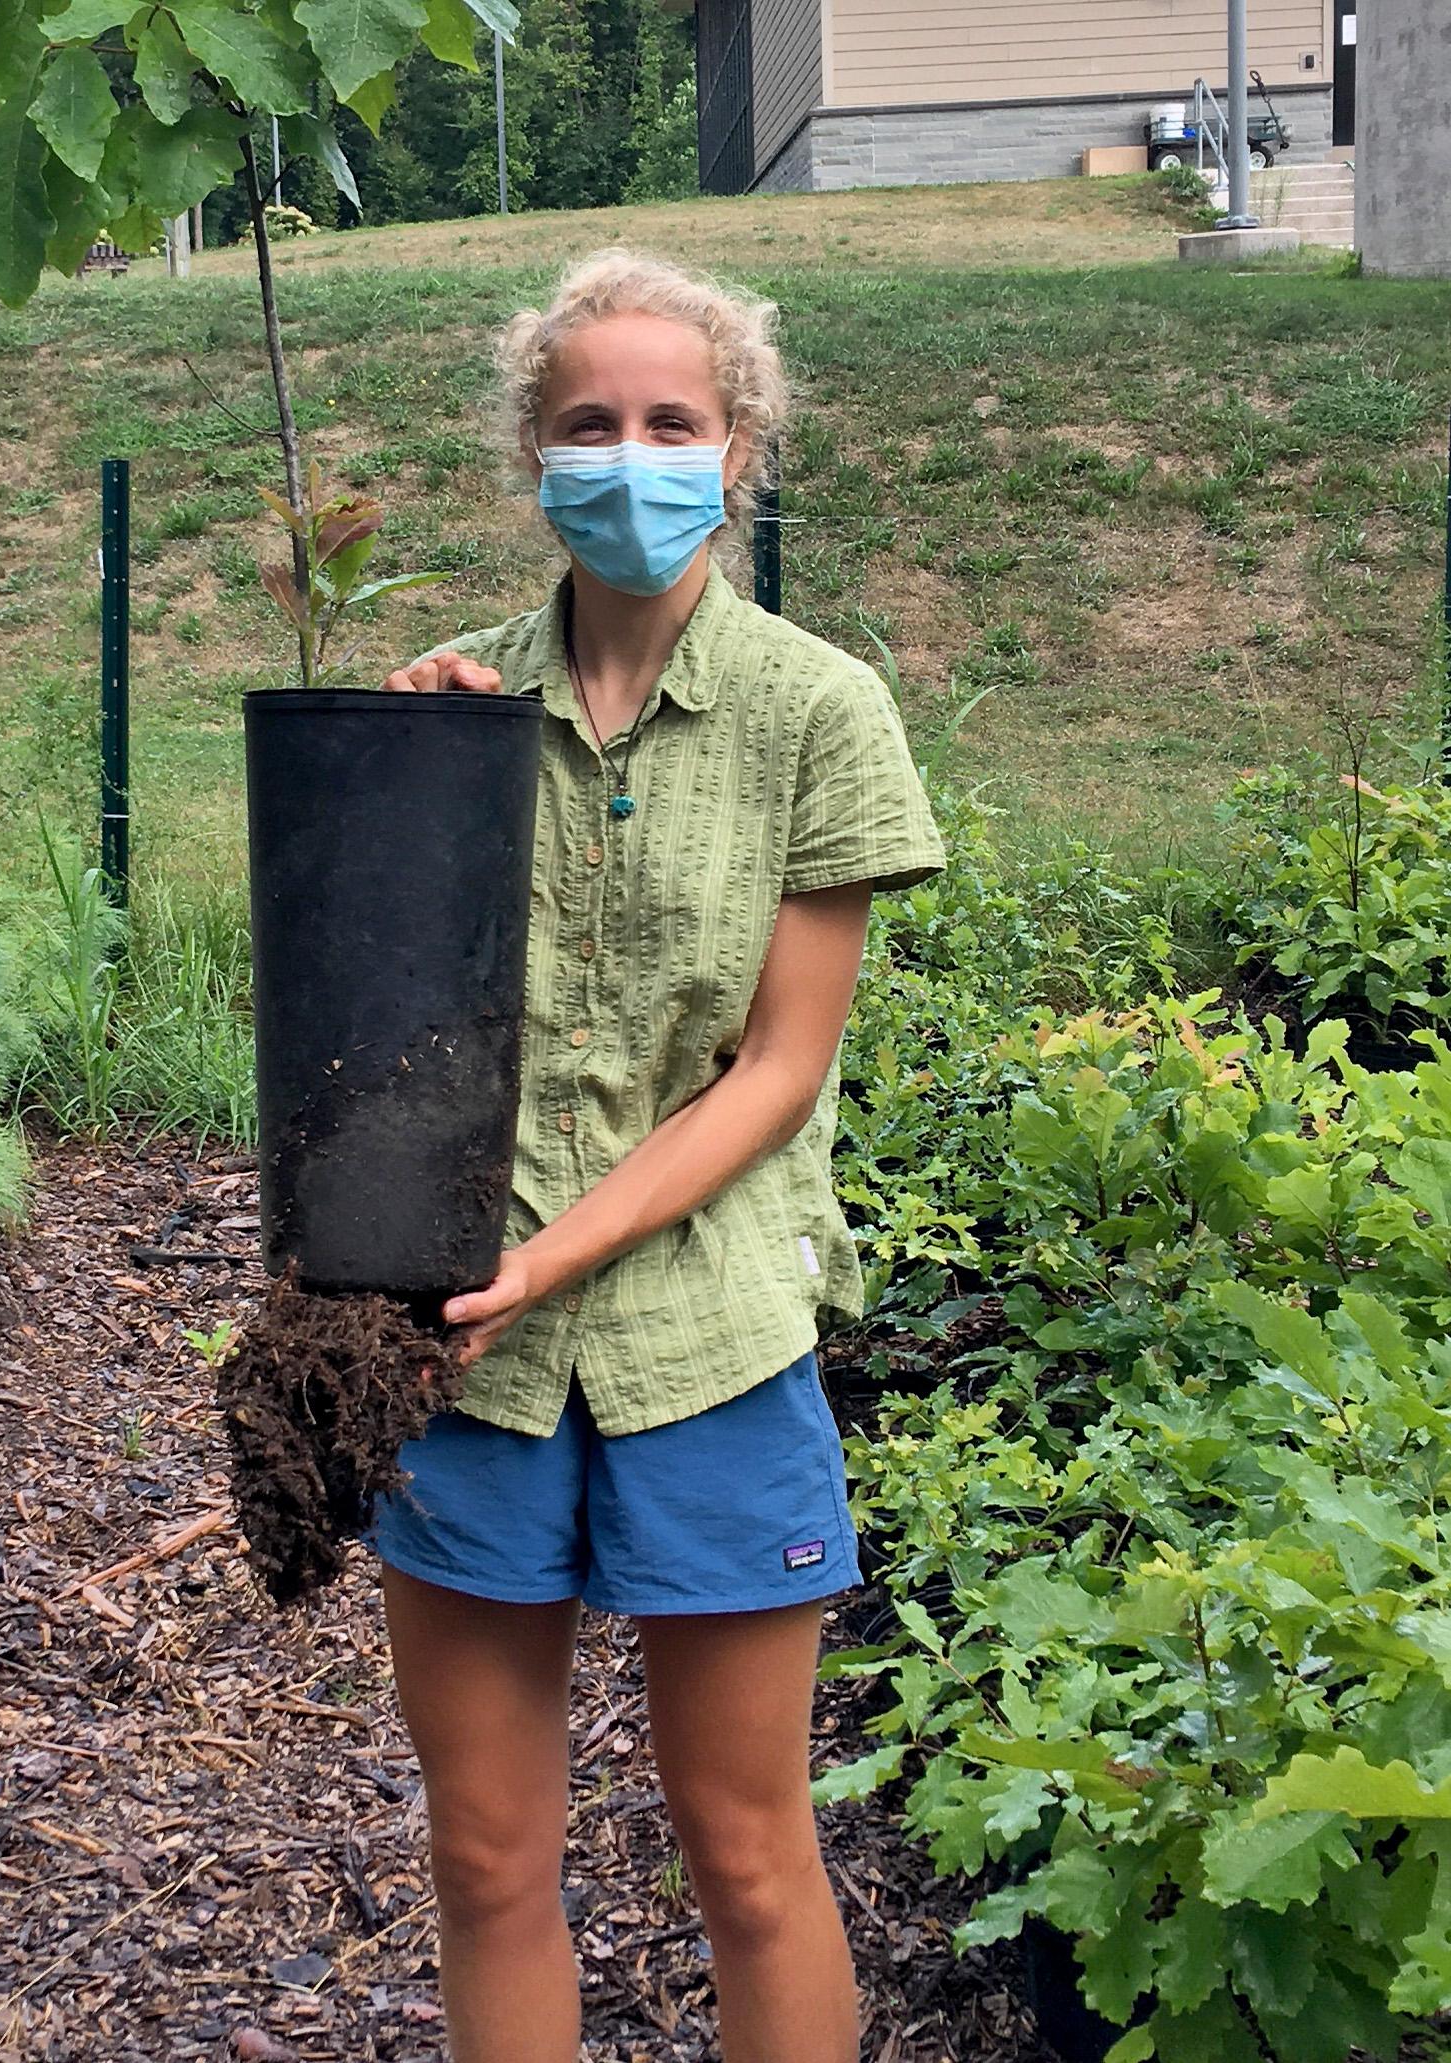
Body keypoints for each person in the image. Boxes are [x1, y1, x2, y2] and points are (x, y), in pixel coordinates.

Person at [371, 249, 947, 2063]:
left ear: (742, 443)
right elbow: (378, 1028)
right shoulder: (455, 713)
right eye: (589, 424)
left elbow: (778, 1073)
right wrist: (377, 785)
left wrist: (557, 1256)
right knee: (483, 1856)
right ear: (533, 453)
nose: (633, 456)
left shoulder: (816, 712)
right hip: (468, 1348)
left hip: (709, 1341)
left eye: (672, 422)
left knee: (752, 1856)